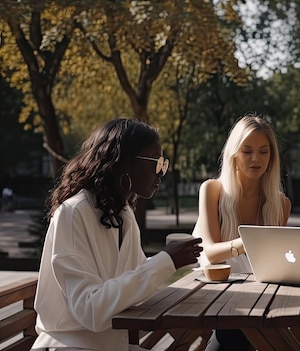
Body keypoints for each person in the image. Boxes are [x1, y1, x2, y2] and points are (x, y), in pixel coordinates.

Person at [31, 118, 202, 351]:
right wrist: (166, 260)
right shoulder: (73, 213)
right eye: (157, 162)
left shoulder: (123, 215)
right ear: (123, 162)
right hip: (69, 346)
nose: (162, 172)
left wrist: (175, 266)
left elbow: (134, 285)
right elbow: (90, 310)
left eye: (164, 163)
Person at [192, 114, 291, 351]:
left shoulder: (280, 205)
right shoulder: (212, 190)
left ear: (272, 157)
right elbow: (210, 253)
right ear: (234, 154)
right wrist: (250, 241)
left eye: (263, 151)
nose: (256, 158)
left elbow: (275, 264)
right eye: (247, 151)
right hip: (214, 296)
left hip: (260, 299)